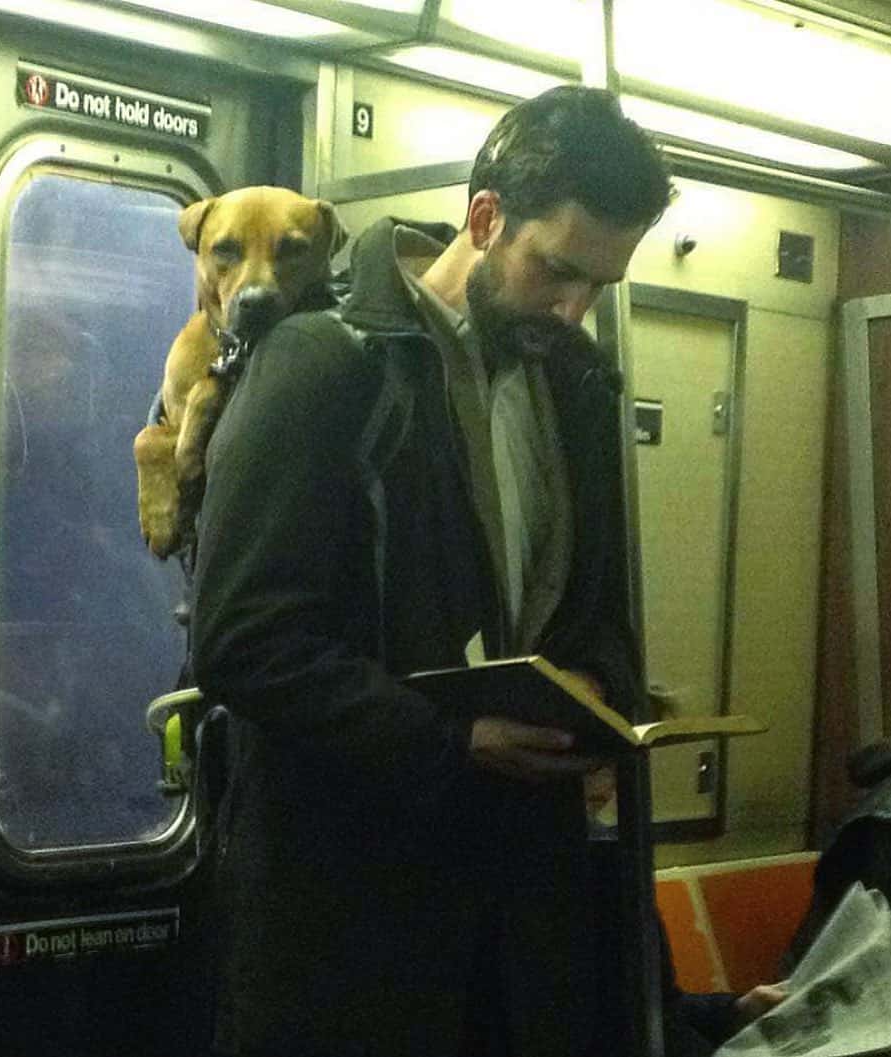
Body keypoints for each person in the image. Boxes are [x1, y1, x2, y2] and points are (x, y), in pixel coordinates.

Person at [191, 85, 671, 1057]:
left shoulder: (575, 390)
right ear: (485, 219)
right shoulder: (325, 365)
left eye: (600, 285)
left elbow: (597, 613)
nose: (574, 309)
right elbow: (244, 640)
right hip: (350, 923)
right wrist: (451, 740)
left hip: (514, 935)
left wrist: (596, 687)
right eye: (556, 270)